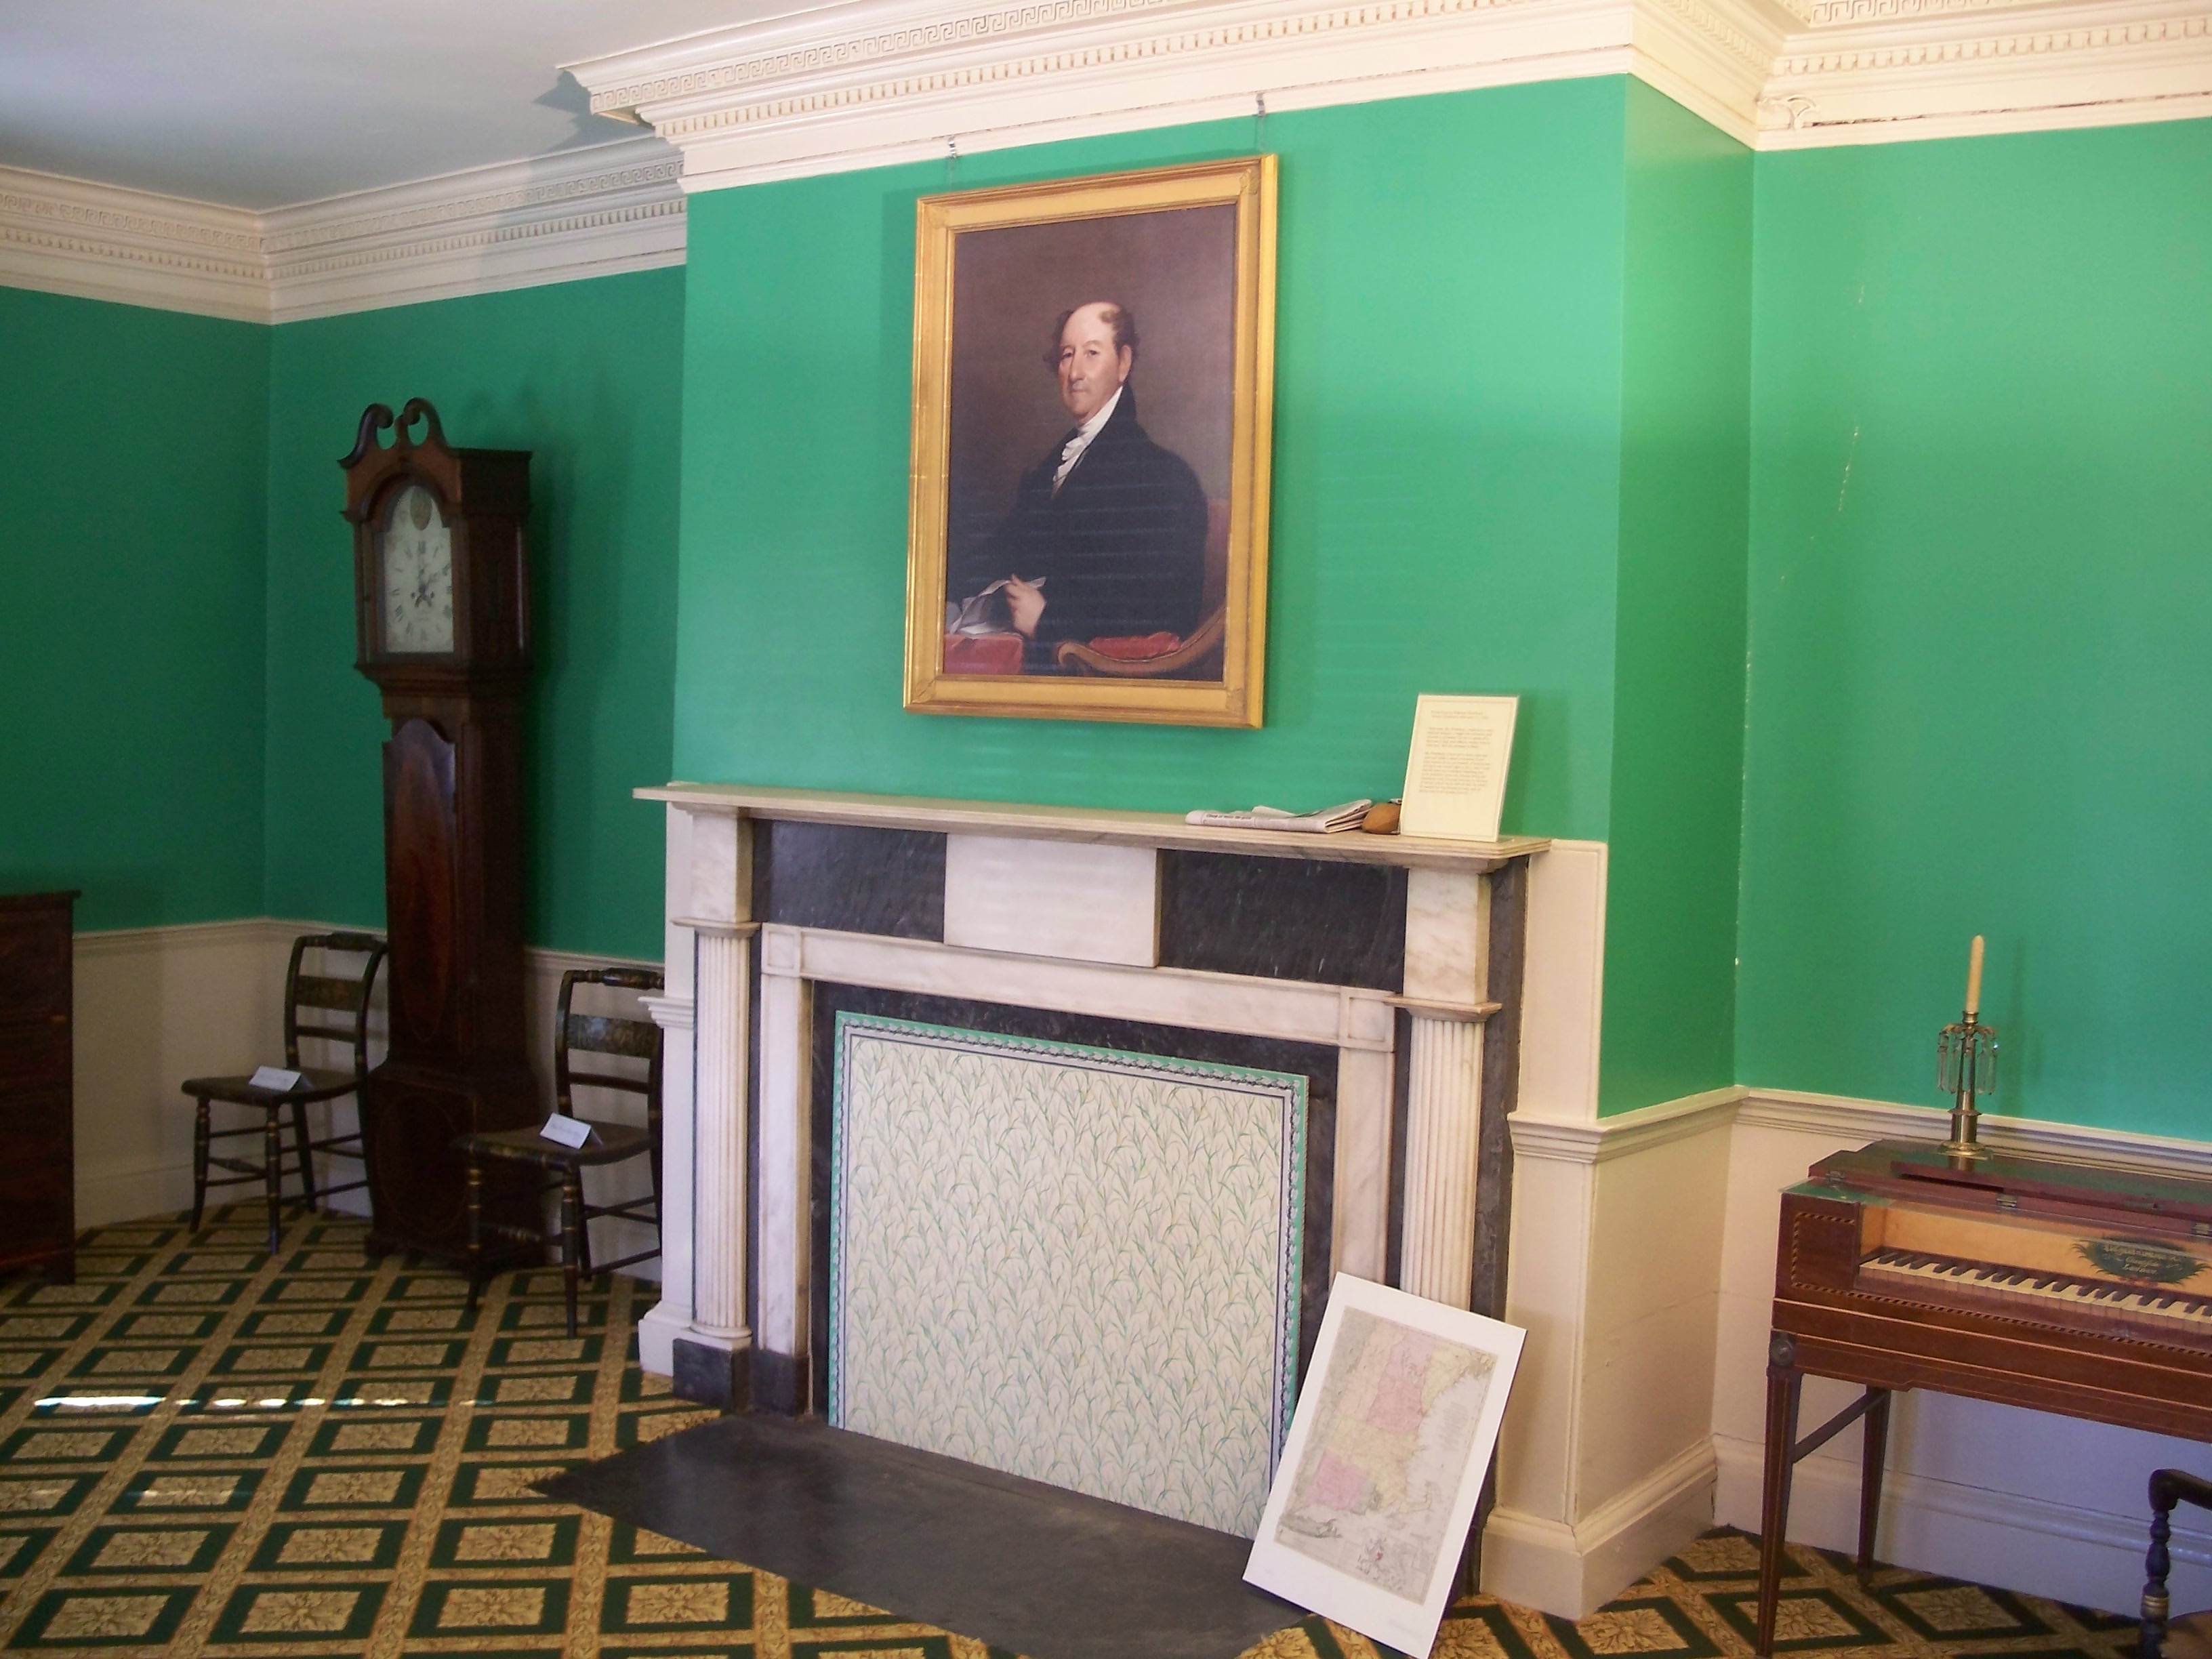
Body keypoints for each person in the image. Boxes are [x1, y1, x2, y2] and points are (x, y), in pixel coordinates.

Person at [951, 301, 1209, 668]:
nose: (1075, 373)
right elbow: (1006, 548)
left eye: (1092, 353)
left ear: (1123, 363)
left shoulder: (1163, 478)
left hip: (1096, 676)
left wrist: (1048, 620)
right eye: (1067, 355)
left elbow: (1163, 612)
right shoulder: (1055, 465)